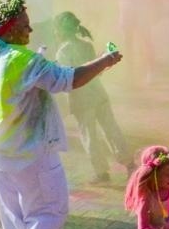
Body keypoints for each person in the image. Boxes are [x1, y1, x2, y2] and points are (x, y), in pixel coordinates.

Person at [0, 0, 122, 229]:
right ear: (8, 29)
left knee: (16, 212)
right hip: (27, 151)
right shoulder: (24, 60)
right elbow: (68, 79)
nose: (30, 32)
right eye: (24, 26)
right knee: (50, 209)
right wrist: (106, 61)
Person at [54, 12, 131, 186]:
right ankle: (129, 164)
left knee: (89, 135)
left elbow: (67, 77)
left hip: (81, 99)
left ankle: (101, 172)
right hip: (98, 93)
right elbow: (96, 67)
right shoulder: (86, 45)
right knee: (111, 129)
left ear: (59, 30)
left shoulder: (63, 51)